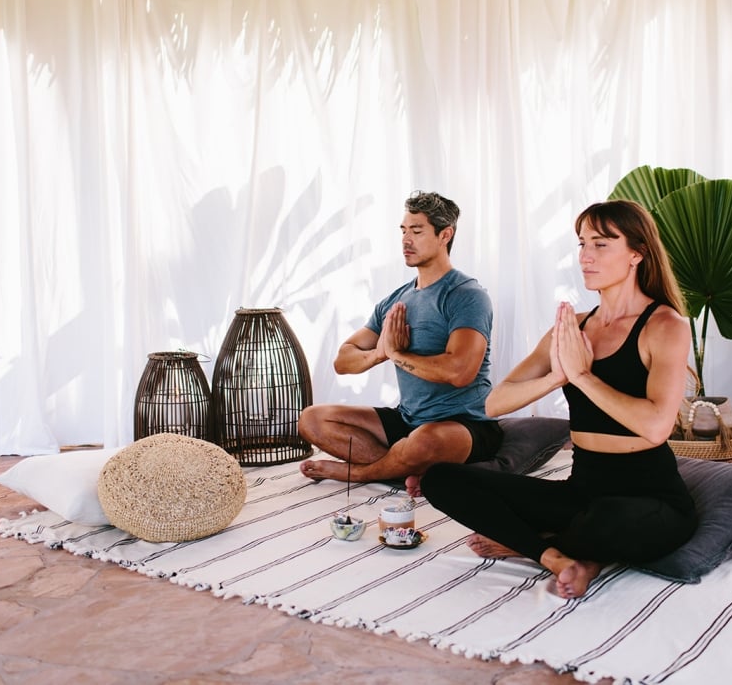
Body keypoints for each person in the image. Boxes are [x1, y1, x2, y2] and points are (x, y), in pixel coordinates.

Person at [420, 199, 697, 600]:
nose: (586, 257)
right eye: (582, 245)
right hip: (581, 490)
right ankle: (554, 555)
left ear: (637, 253)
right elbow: (494, 404)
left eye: (601, 245)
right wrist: (557, 376)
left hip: (648, 498)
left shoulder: (664, 325)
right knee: (440, 478)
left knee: (610, 520)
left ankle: (533, 544)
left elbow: (656, 427)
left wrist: (582, 376)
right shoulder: (572, 329)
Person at [298, 191, 502, 491]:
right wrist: (380, 354)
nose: (406, 240)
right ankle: (401, 467)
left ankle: (358, 473)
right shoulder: (396, 300)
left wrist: (396, 353)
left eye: (417, 231)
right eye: (404, 231)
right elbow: (343, 360)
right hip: (408, 419)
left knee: (425, 442)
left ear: (445, 235)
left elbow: (460, 372)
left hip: (465, 424)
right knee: (312, 419)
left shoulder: (466, 295)